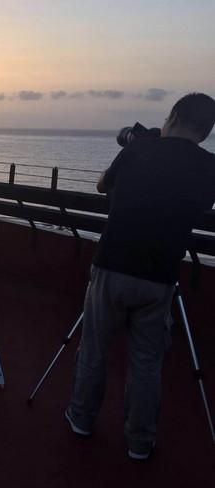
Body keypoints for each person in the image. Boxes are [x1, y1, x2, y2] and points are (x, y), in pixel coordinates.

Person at [64, 93, 215, 460]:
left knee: (95, 349)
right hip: (160, 274)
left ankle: (82, 419)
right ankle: (140, 441)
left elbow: (102, 186)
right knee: (147, 362)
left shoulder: (139, 150)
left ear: (175, 115)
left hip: (113, 265)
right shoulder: (210, 166)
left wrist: (141, 145)